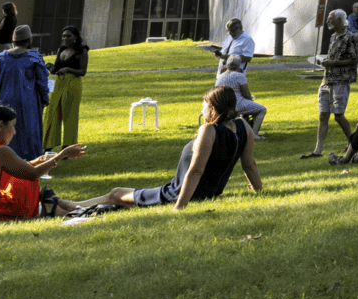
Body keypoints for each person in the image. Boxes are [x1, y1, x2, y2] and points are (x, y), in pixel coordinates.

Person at [70, 86, 261, 212]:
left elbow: (196, 170)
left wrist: (180, 207)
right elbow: (249, 164)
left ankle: (72, 208)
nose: (201, 109)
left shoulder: (209, 130)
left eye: (203, 105)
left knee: (115, 193)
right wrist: (259, 190)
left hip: (176, 194)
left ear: (212, 107)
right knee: (118, 202)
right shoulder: (243, 127)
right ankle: (71, 207)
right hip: (207, 193)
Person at [0, 104, 86, 227]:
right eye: (12, 126)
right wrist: (62, 154)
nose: (14, 132)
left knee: (24, 186)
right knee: (28, 188)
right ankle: (58, 208)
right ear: (0, 126)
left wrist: (39, 160)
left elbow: (16, 168)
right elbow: (32, 174)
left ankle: (58, 205)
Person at [0, 25, 50, 162]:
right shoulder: (34, 57)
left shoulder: (1, 57)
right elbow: (42, 82)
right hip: (28, 103)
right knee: (28, 132)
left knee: (2, 130)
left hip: (2, 101)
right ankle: (30, 162)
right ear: (29, 40)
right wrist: (45, 98)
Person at [303, 9, 358, 159]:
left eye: (331, 19)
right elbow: (332, 57)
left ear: (340, 20)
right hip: (326, 80)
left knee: (339, 116)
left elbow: (355, 60)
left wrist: (333, 63)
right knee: (323, 115)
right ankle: (317, 151)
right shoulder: (333, 37)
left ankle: (353, 144)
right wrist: (324, 62)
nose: (329, 21)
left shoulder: (350, 37)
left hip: (340, 81)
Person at [42, 26, 88, 151]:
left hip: (73, 85)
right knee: (52, 113)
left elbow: (82, 71)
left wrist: (68, 70)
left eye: (68, 36)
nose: (65, 38)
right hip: (58, 84)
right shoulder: (60, 50)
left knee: (70, 116)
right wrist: (51, 68)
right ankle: (48, 146)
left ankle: (68, 147)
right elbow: (56, 69)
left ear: (75, 37)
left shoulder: (82, 51)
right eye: (63, 36)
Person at [216, 51, 268, 133]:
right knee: (261, 109)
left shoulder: (220, 77)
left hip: (223, 104)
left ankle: (245, 131)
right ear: (239, 65)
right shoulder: (239, 76)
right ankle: (254, 134)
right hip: (237, 104)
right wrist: (251, 100)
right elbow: (246, 94)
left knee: (249, 108)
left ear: (227, 64)